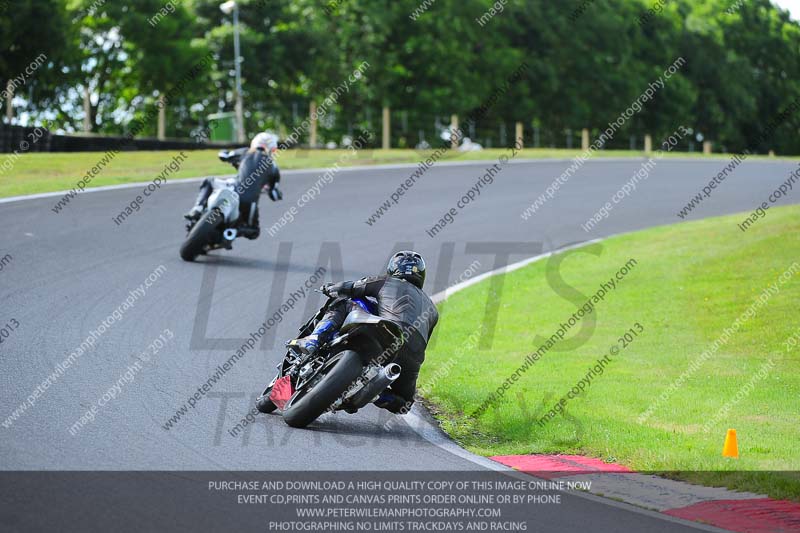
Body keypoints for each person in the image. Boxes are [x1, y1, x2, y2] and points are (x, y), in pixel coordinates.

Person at [287, 251, 439, 414]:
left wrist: (329, 288)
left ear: (393, 269)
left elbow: (350, 288)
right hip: (413, 356)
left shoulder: (385, 281)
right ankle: (377, 395)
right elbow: (425, 339)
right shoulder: (433, 310)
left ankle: (315, 339)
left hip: (387, 332)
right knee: (405, 403)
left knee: (344, 301)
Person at [184, 132, 282, 238]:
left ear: (254, 143)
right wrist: (272, 191)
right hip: (250, 202)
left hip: (234, 190)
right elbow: (274, 195)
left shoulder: (245, 152)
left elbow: (223, 155)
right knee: (254, 232)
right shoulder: (273, 168)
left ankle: (197, 209)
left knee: (209, 180)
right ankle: (232, 232)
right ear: (272, 150)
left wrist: (230, 159)